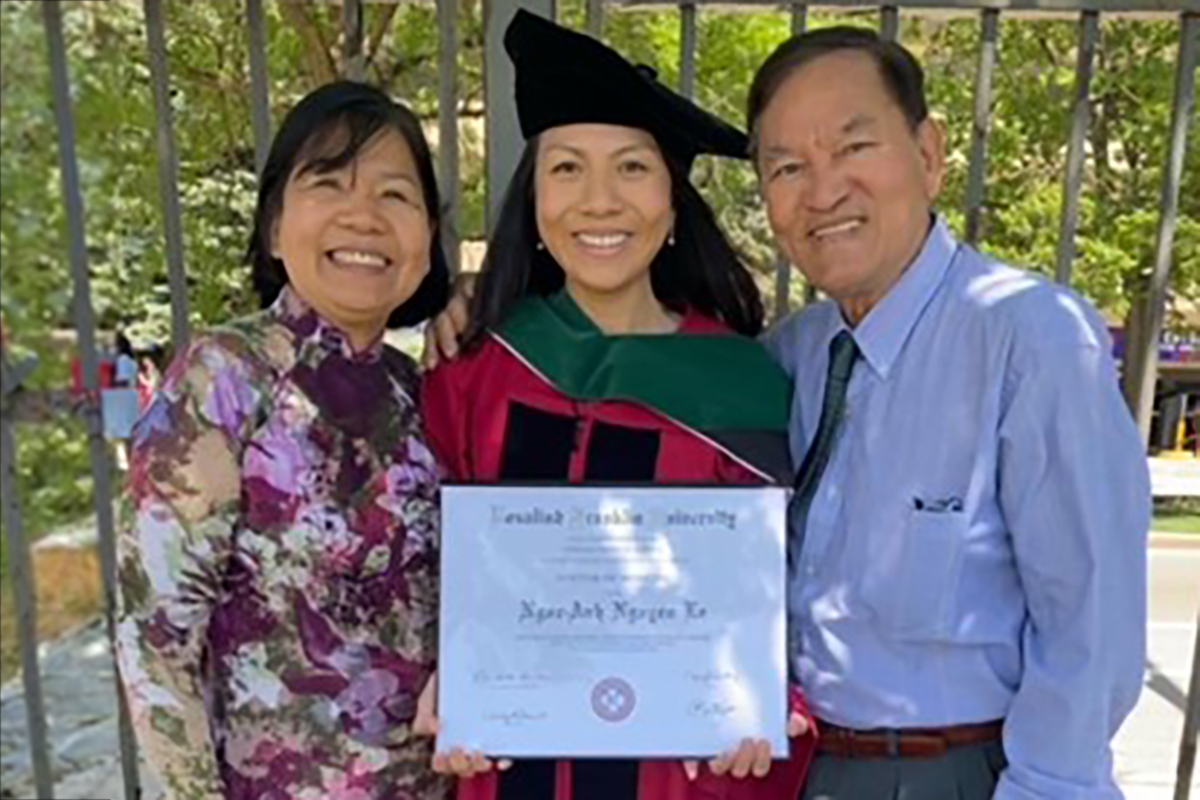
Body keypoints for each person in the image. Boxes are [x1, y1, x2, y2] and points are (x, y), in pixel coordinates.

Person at [417, 11, 814, 800]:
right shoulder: (474, 368)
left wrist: (767, 701)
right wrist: (447, 678)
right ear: (534, 199)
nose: (598, 201)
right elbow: (431, 576)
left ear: (672, 202)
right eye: (566, 169)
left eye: (632, 168)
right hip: (511, 773)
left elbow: (783, 599)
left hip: (682, 778)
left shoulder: (742, 384)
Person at [749, 27, 1150, 800]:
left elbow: (1088, 630)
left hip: (962, 773)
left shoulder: (1029, 338)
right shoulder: (790, 355)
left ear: (928, 155)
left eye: (853, 147)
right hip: (797, 771)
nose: (822, 191)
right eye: (787, 167)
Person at [115, 81, 453, 800]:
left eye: (396, 195)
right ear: (274, 227)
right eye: (328, 183)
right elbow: (155, 639)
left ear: (428, 236)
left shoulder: (427, 392)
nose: (363, 215)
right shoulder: (224, 378)